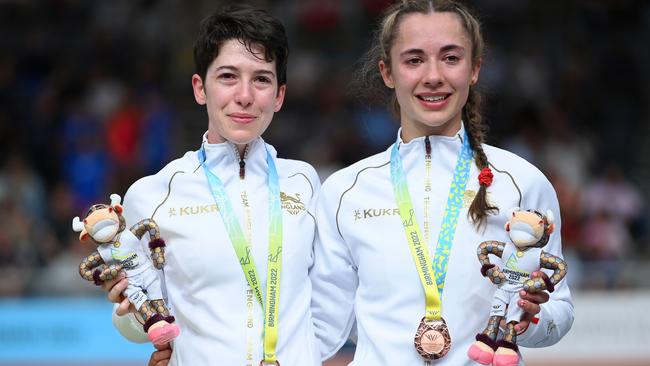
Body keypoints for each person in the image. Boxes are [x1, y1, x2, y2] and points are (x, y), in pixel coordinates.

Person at [309, 1, 574, 365]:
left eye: (450, 58)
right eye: (414, 60)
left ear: (475, 68)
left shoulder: (522, 181)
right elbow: (322, 325)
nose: (433, 76)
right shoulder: (345, 192)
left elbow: (559, 307)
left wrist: (531, 320)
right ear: (387, 72)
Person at [102, 5, 321, 366]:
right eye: (228, 77)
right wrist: (130, 312)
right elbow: (140, 324)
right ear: (200, 88)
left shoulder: (307, 183)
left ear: (279, 96)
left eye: (262, 79)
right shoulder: (154, 195)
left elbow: (328, 308)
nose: (245, 95)